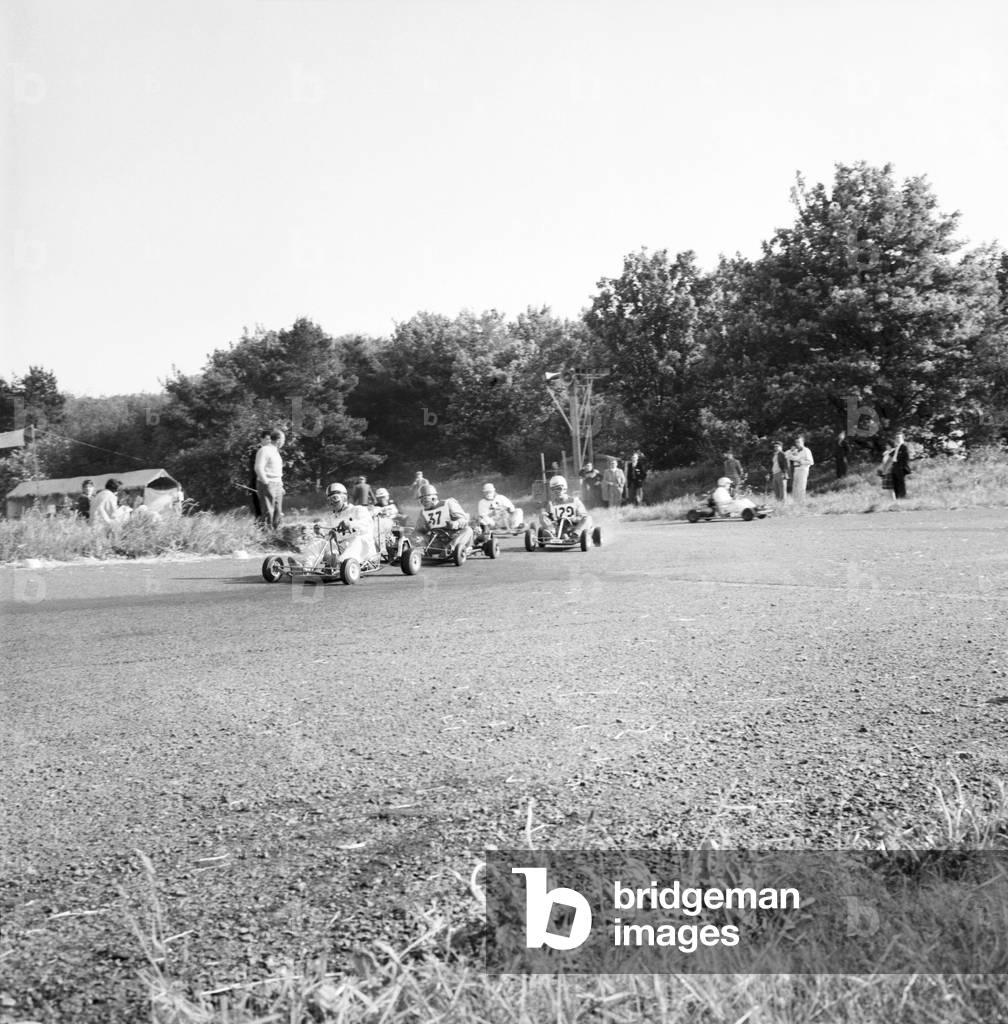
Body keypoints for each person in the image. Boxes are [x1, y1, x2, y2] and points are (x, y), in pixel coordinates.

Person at [308, 482, 380, 567]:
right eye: (329, 500)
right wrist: (321, 531)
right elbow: (328, 536)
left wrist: (351, 524)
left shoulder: (358, 510)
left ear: (344, 497)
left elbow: (366, 526)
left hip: (362, 549)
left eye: (335, 498)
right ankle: (306, 567)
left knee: (358, 540)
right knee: (318, 543)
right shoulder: (332, 517)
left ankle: (340, 563)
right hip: (341, 548)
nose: (332, 502)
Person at [416, 483, 473, 558]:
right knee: (418, 537)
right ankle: (421, 552)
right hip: (435, 540)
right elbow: (418, 530)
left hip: (453, 536)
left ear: (433, 497)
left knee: (468, 530)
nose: (424, 503)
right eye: (421, 501)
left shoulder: (448, 504)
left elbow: (464, 520)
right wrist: (423, 529)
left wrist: (455, 524)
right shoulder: (423, 512)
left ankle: (450, 549)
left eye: (425, 500)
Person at [540, 475, 594, 543]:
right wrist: (550, 517)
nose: (557, 492)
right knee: (542, 515)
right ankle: (552, 533)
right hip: (559, 527)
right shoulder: (551, 504)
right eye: (554, 489)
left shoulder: (574, 501)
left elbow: (583, 515)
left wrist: (574, 518)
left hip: (574, 525)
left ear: (565, 488)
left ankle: (576, 535)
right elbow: (550, 518)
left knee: (588, 518)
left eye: (559, 488)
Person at [254, 428, 285, 530]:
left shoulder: (276, 453)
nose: (284, 443)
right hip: (267, 483)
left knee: (278, 512)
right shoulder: (264, 450)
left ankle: (276, 536)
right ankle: (266, 538)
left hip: (277, 485)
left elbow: (277, 472)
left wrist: (281, 486)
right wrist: (266, 483)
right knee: (268, 512)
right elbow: (258, 468)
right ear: (278, 440)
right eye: (283, 440)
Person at [369, 487, 401, 557]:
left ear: (387, 496)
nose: (382, 499)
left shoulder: (393, 504)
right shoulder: (376, 506)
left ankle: (395, 549)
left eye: (383, 497)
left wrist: (397, 515)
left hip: (393, 524)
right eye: (380, 497)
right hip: (380, 526)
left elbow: (400, 514)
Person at [786, 435, 814, 503]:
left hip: (803, 469)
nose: (797, 443)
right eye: (796, 442)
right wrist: (790, 450)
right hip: (796, 469)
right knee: (795, 486)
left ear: (803, 442)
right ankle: (795, 502)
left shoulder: (806, 450)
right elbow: (786, 455)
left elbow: (811, 462)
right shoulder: (795, 450)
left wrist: (801, 461)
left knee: (801, 486)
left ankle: (801, 502)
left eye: (799, 442)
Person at [248, 431, 269, 518]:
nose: (269, 441)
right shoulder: (256, 450)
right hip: (258, 481)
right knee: (259, 508)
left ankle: (268, 527)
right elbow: (256, 468)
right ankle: (260, 528)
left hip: (268, 481)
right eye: (267, 439)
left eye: (270, 439)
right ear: (261, 439)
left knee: (268, 506)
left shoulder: (270, 450)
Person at [891, 432, 911, 499]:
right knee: (895, 483)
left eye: (899, 437)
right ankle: (897, 498)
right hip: (895, 466)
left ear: (902, 438)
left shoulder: (904, 447)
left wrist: (902, 467)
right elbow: (891, 455)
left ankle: (903, 498)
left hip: (900, 467)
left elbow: (906, 458)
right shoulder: (896, 447)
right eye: (896, 437)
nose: (897, 439)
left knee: (901, 483)